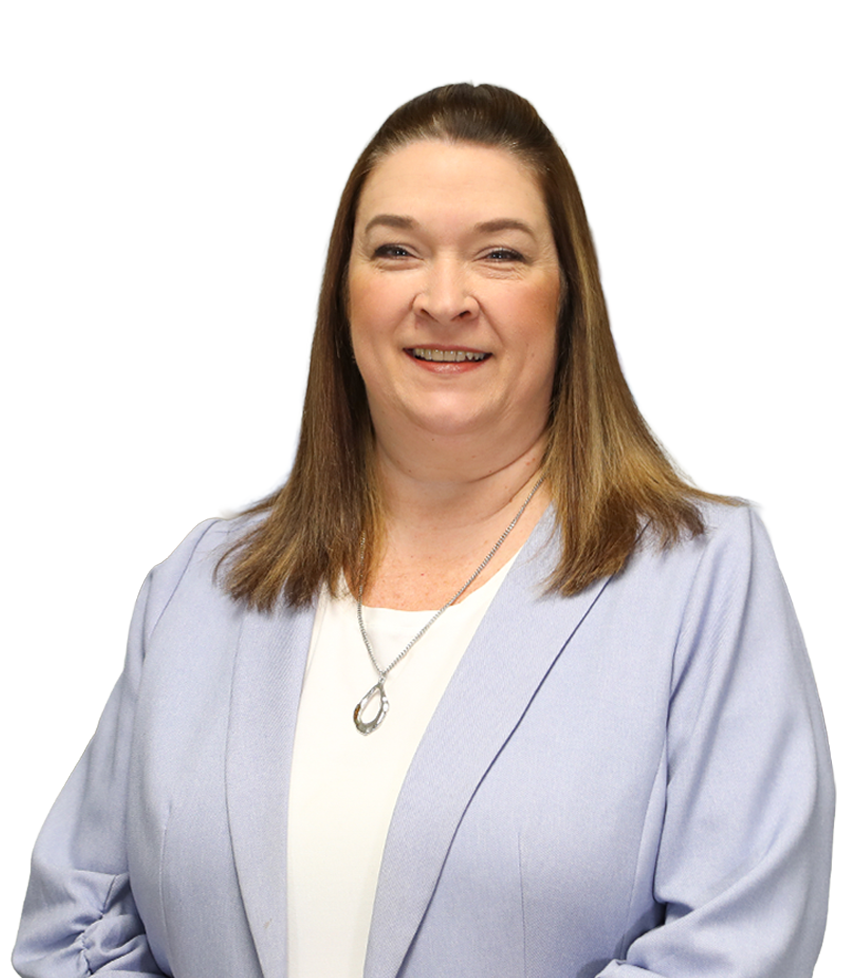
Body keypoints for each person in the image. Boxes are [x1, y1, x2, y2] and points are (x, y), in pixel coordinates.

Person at [13, 83, 833, 978]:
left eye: (500, 254)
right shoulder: (200, 587)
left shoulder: (700, 579)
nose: (444, 299)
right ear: (344, 295)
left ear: (569, 298)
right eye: (396, 250)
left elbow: (734, 949)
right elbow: (70, 931)